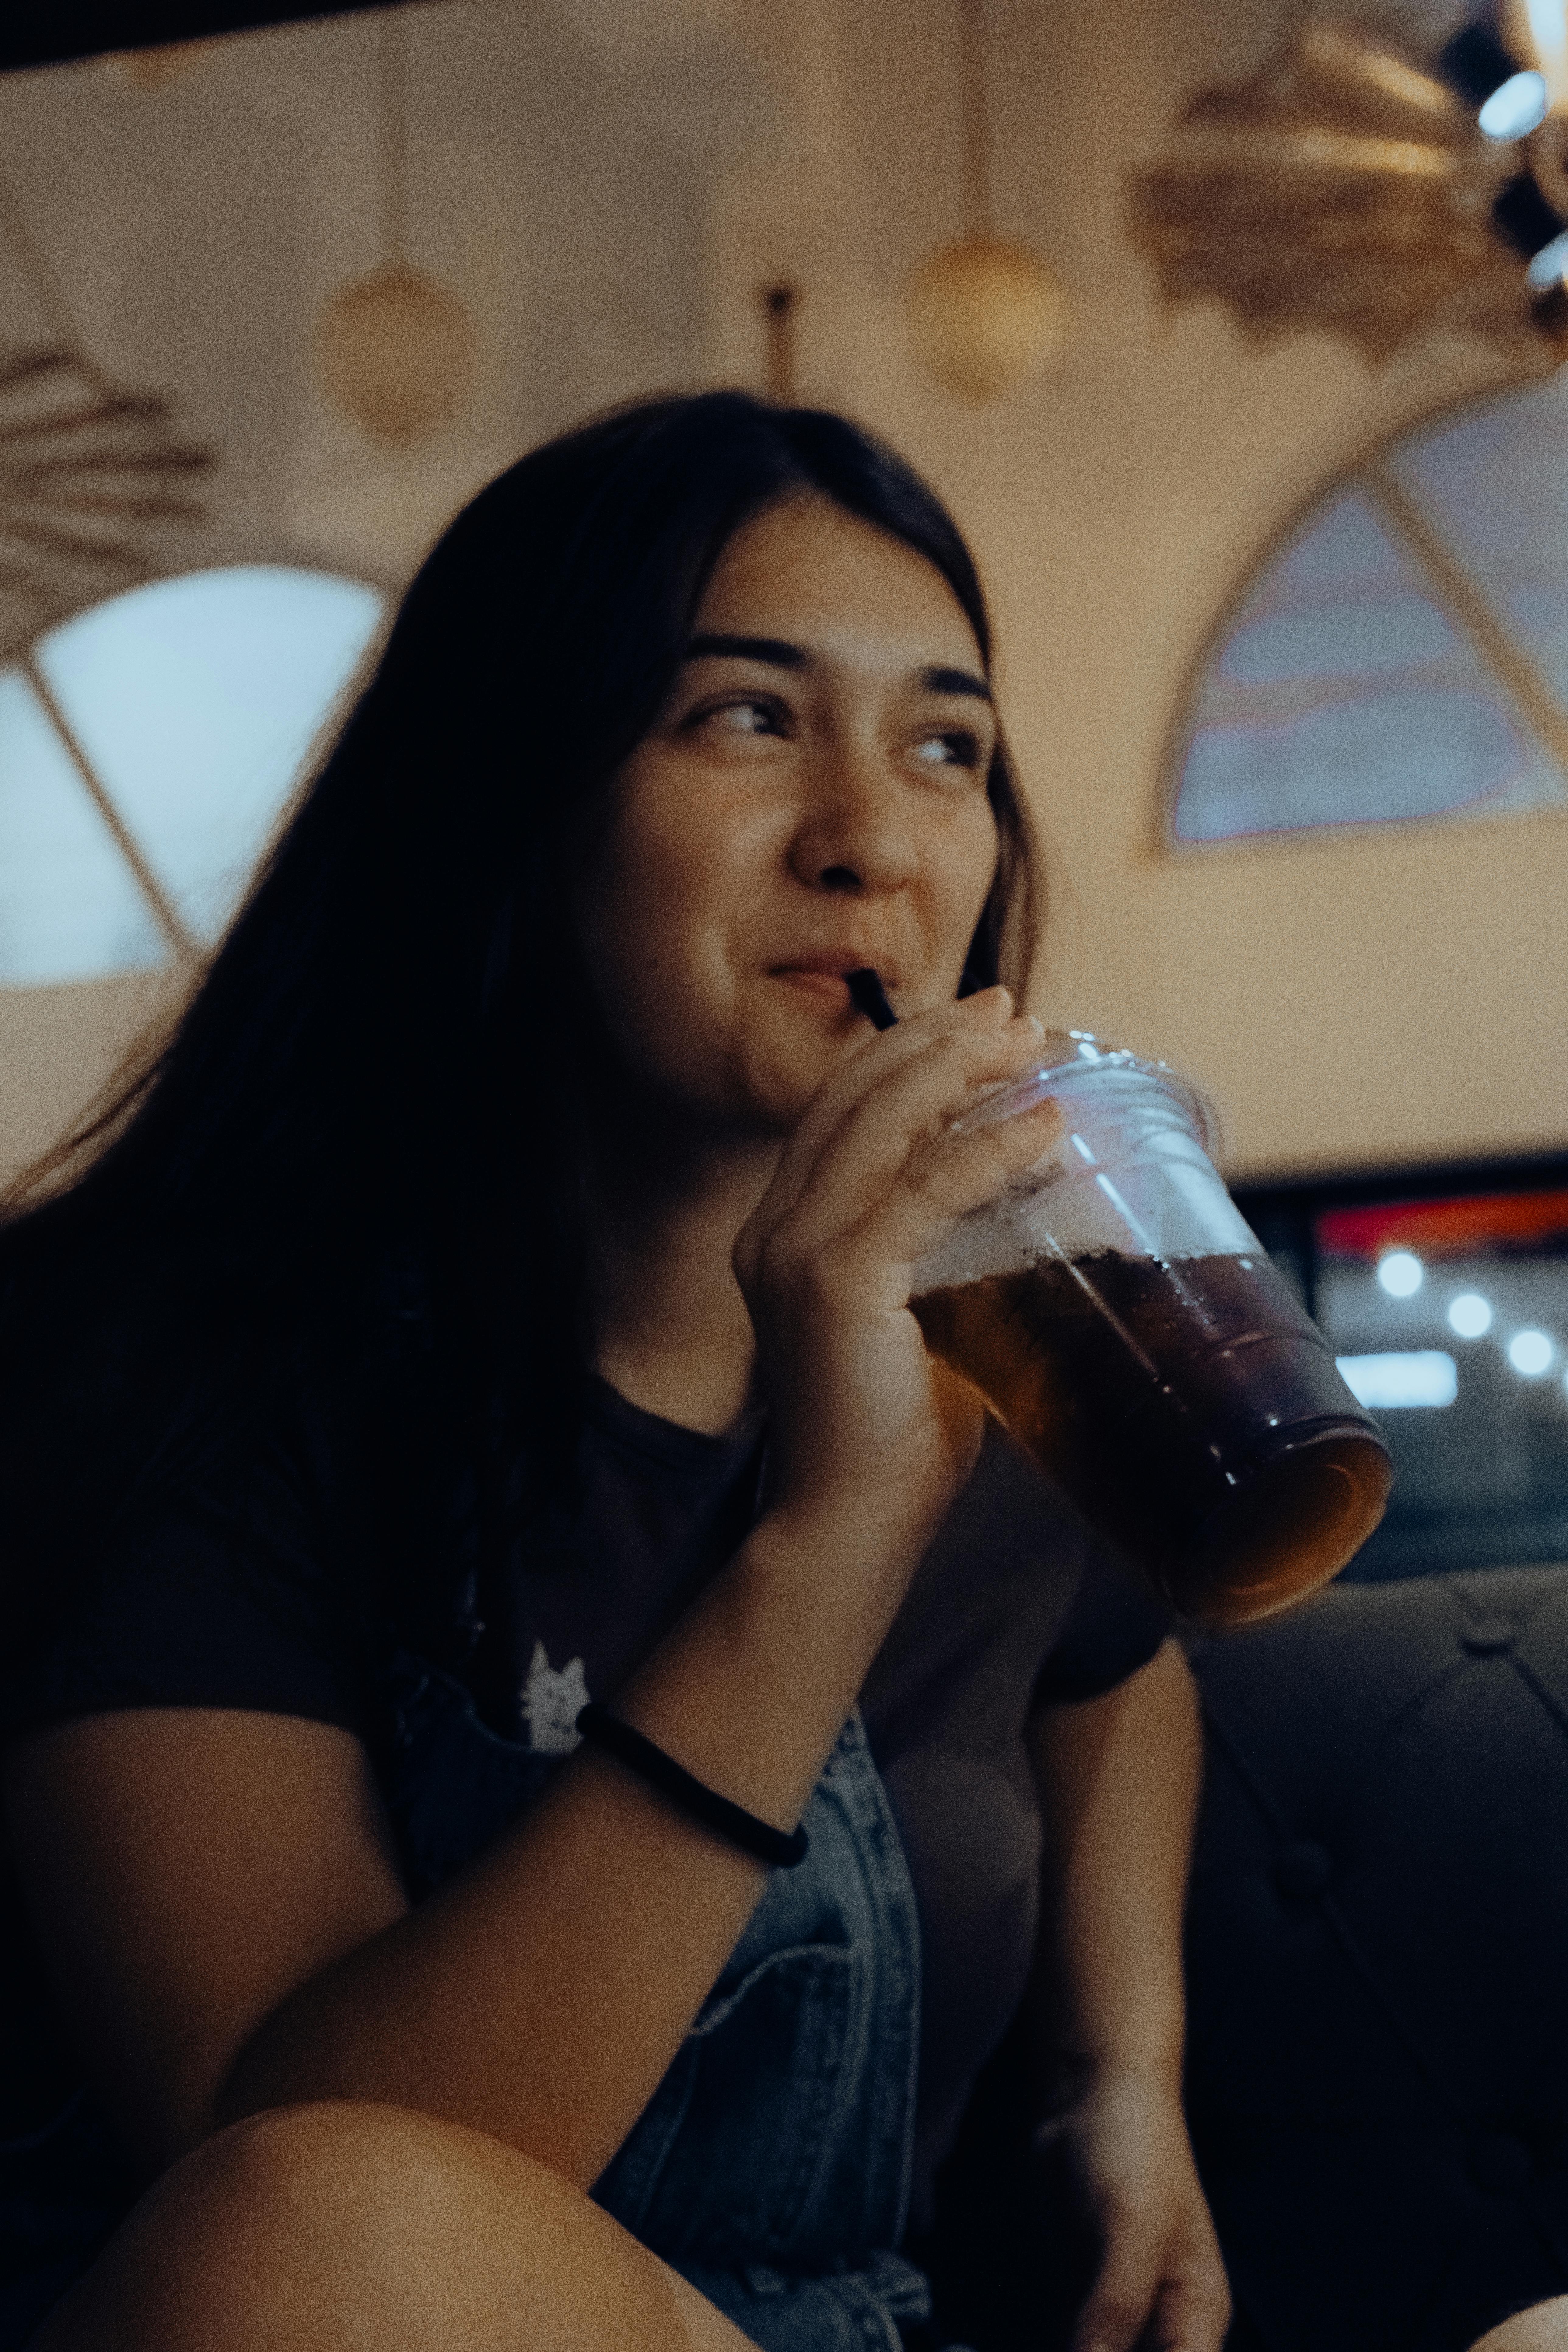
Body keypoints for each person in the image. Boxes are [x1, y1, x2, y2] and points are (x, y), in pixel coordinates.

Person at [0, 391, 1231, 2352]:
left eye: (947, 748)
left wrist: (1126, 2065)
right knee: (324, 2221)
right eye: (747, 716)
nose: (871, 842)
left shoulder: (1005, 1387)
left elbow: (1113, 1677)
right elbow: (302, 2212)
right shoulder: (152, 1372)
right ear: (517, 796)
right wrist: (825, 1540)